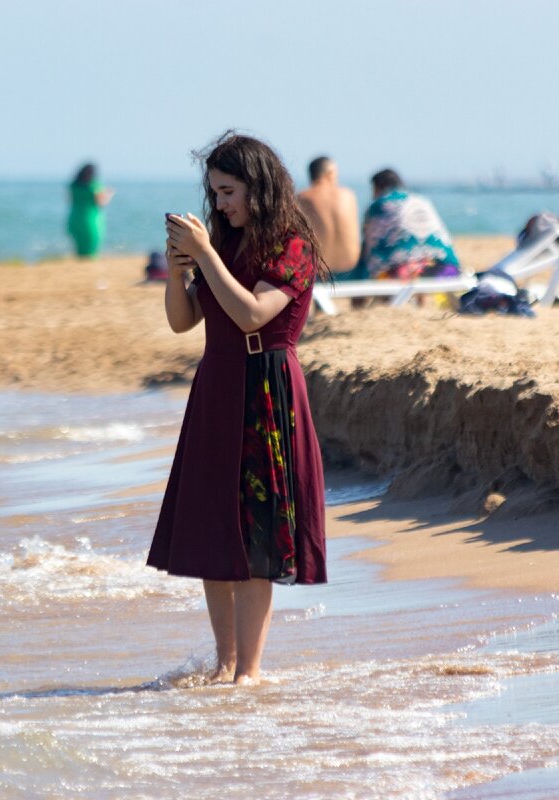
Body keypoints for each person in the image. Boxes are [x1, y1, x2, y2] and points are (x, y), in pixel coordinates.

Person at [149, 132, 328, 686]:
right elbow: (183, 321)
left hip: (267, 384)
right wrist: (183, 268)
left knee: (258, 534)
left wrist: (205, 254)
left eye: (229, 191)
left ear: (258, 185)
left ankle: (248, 671)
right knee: (212, 527)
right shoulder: (223, 243)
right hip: (217, 381)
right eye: (215, 193)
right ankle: (224, 662)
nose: (221, 204)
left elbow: (253, 313)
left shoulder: (292, 245)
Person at [352, 169, 460, 280]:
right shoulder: (421, 200)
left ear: (377, 187)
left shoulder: (378, 206)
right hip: (447, 270)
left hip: (403, 274)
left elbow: (369, 249)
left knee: (380, 270)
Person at [297, 156, 360, 273]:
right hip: (352, 271)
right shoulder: (349, 195)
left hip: (319, 273)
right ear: (330, 174)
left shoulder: (302, 198)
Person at [67, 163, 114, 258]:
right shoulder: (94, 186)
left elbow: (70, 201)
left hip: (74, 219)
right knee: (91, 252)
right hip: (90, 221)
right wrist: (109, 194)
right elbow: (101, 203)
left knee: (80, 251)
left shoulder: (73, 185)